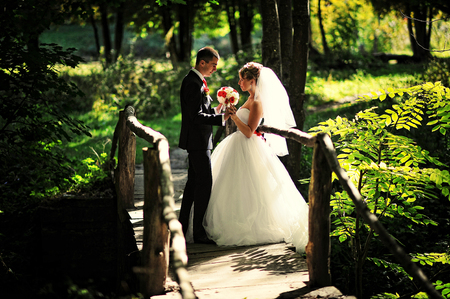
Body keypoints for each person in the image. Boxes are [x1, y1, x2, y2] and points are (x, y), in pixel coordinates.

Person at [202, 62, 309, 253]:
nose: (239, 83)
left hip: (248, 146)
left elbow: (250, 132)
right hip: (236, 146)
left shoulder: (258, 102)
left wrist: (235, 118)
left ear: (252, 81)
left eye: (242, 79)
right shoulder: (249, 99)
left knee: (251, 188)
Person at [178, 47, 235, 244]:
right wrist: (221, 119)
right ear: (202, 63)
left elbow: (202, 110)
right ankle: (199, 232)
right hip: (197, 142)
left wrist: (218, 110)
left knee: (193, 184)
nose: (214, 69)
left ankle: (182, 228)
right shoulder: (193, 83)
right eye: (213, 65)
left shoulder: (197, 81)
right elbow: (195, 116)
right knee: (204, 185)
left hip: (200, 141)